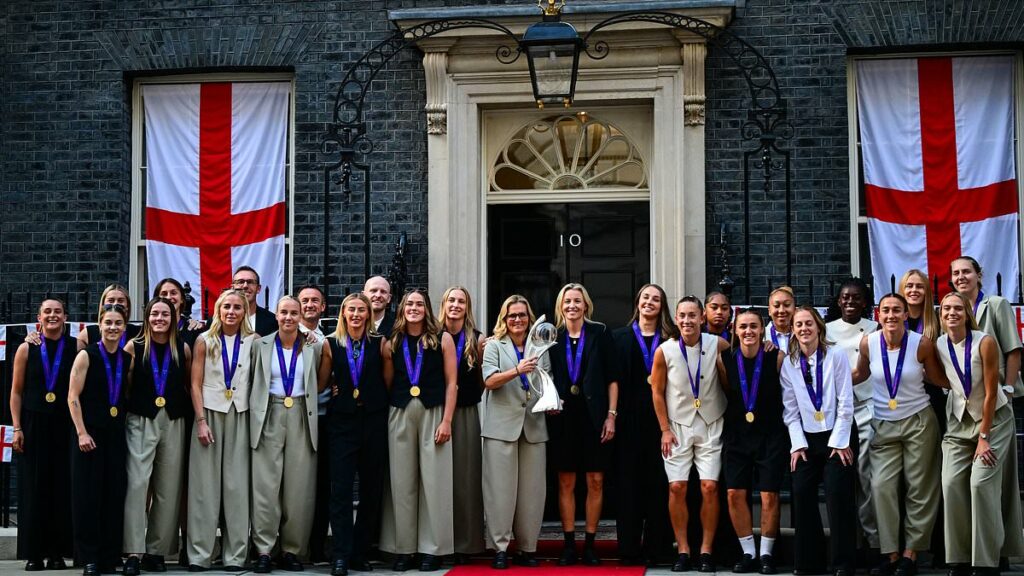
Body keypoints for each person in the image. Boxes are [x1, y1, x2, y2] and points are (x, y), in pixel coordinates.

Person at [852, 294, 948, 576]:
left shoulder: (921, 344)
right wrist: (829, 380)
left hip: (919, 421)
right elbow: (860, 373)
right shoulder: (868, 342)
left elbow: (937, 378)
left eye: (897, 310)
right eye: (886, 310)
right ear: (878, 314)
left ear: (906, 315)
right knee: (880, 487)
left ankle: (910, 554)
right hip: (883, 424)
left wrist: (968, 384)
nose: (891, 315)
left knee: (920, 488)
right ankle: (890, 553)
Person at [936, 292, 1024, 576]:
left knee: (980, 485)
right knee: (950, 485)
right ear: (941, 315)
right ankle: (959, 558)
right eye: (947, 308)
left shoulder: (984, 341)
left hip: (993, 421)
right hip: (959, 424)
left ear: (967, 313)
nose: (952, 313)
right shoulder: (939, 344)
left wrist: (983, 437)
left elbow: (989, 393)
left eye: (958, 308)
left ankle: (987, 562)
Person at [380, 289, 458, 572]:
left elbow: (452, 383)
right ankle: (405, 549)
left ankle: (432, 549)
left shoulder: (443, 339)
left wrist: (447, 420)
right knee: (402, 484)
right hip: (400, 412)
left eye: (419, 304)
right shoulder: (392, 341)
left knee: (434, 483)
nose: (414, 308)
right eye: (409, 304)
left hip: (434, 412)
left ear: (427, 309)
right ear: (402, 309)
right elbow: (389, 380)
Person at [651, 296, 730, 573]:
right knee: (677, 487)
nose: (687, 321)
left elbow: (746, 360)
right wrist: (664, 429)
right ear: (676, 317)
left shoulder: (717, 343)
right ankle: (683, 549)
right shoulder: (665, 350)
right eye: (682, 315)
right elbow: (657, 392)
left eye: (692, 315)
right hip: (677, 426)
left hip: (711, 422)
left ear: (702, 318)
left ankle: (706, 550)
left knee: (710, 487)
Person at [779, 306, 856, 576]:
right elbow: (789, 410)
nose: (804, 328)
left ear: (819, 327)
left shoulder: (836, 356)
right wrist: (798, 445)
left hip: (838, 434)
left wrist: (839, 441)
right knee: (800, 491)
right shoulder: (789, 363)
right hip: (807, 438)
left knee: (837, 494)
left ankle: (843, 563)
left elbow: (847, 402)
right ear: (793, 330)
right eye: (798, 324)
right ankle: (809, 562)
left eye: (809, 323)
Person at [547, 283, 620, 566]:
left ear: (586, 305)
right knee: (565, 481)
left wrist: (611, 415)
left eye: (577, 301)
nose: (572, 306)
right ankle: (568, 545)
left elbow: (613, 378)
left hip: (595, 417)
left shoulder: (600, 333)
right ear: (560, 306)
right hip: (563, 418)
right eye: (567, 302)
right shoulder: (552, 337)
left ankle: (590, 544)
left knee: (596, 480)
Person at [250, 296, 324, 573]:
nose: (289, 318)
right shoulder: (261, 345)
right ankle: (264, 550)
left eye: (295, 313)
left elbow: (322, 378)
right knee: (266, 487)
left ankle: (292, 550)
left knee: (298, 487)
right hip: (270, 411)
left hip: (302, 413)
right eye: (284, 312)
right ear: (277, 315)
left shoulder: (313, 347)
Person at [318, 293, 388, 576]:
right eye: (351, 310)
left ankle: (360, 552)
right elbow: (322, 381)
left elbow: (388, 380)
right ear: (343, 314)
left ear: (368, 315)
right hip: (342, 423)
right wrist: (335, 385)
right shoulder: (331, 344)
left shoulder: (380, 343)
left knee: (371, 489)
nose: (356, 314)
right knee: (342, 490)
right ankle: (341, 554)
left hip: (372, 420)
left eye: (362, 310)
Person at [122, 298, 193, 575]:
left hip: (173, 420)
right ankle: (133, 550)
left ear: (174, 317)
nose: (160, 318)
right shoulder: (134, 347)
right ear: (147, 317)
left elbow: (187, 384)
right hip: (141, 418)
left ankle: (157, 550)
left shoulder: (182, 349)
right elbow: (126, 385)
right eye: (154, 314)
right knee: (138, 484)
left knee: (168, 487)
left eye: (165, 314)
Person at [186, 289, 256, 571]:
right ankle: (200, 555)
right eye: (226, 306)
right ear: (217, 309)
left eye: (237, 307)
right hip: (210, 416)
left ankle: (235, 555)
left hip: (241, 415)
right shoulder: (205, 340)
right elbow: (194, 383)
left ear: (245, 311)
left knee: (237, 487)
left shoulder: (254, 341)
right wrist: (200, 420)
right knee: (204, 487)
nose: (231, 311)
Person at [480, 295, 551, 569]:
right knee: (500, 492)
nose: (518, 320)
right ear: (504, 319)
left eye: (522, 315)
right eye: (512, 316)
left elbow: (547, 381)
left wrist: (553, 401)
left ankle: (527, 547)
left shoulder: (540, 346)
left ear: (529, 317)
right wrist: (517, 370)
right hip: (501, 428)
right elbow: (489, 381)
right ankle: (499, 547)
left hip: (534, 425)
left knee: (532, 492)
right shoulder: (494, 345)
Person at [612, 284, 676, 567]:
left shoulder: (671, 339)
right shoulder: (619, 338)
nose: (650, 302)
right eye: (646, 297)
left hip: (664, 421)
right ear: (637, 302)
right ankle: (628, 549)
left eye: (656, 299)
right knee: (628, 486)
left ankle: (659, 547)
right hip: (628, 421)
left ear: (662, 306)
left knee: (660, 485)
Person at [10, 298, 75, 570]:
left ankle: (57, 553)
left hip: (64, 424)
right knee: (34, 488)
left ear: (65, 317)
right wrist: (17, 427)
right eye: (47, 311)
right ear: (39, 316)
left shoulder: (75, 347)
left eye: (57, 311)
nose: (52, 315)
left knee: (61, 489)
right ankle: (34, 553)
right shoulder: (27, 348)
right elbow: (16, 391)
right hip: (34, 424)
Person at [721, 308, 788, 574]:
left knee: (770, 495)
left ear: (763, 330)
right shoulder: (724, 359)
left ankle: (766, 555)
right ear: (735, 331)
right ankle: (748, 552)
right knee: (735, 493)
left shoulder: (777, 357)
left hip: (770, 434)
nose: (748, 331)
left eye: (753, 326)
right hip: (737, 434)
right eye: (743, 327)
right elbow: (727, 390)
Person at [68, 304, 131, 576]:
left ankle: (108, 557)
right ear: (99, 325)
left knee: (113, 495)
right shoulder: (86, 355)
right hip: (89, 434)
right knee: (88, 497)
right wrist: (81, 432)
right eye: (108, 323)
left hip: (115, 434)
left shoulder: (127, 359)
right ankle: (89, 558)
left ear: (124, 327)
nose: (113, 328)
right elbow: (72, 396)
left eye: (118, 323)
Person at [824, 278, 880, 560]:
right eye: (845, 297)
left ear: (865, 303)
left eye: (856, 298)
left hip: (867, 407)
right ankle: (849, 544)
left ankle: (872, 542)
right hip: (836, 411)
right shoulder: (826, 330)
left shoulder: (875, 330)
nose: (849, 302)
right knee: (842, 479)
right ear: (838, 300)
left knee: (866, 475)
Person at [438, 286, 487, 562]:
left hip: (466, 413)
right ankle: (440, 540)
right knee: (439, 479)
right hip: (438, 412)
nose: (456, 305)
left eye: (461, 301)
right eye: (451, 300)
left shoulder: (477, 340)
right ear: (443, 304)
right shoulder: (432, 337)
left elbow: (482, 380)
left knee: (466, 479)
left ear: (467, 307)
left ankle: (467, 544)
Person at [297, 285, 332, 564]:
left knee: (321, 485)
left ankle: (316, 545)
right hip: (293, 418)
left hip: (322, 418)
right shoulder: (286, 334)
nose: (309, 305)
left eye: (314, 301)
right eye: (304, 300)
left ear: (323, 307)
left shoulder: (328, 338)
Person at [232, 266, 277, 336]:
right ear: (232, 288)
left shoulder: (273, 321)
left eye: (250, 282)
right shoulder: (219, 320)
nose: (245, 286)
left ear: (258, 289)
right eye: (240, 282)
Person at [899, 269, 939, 341]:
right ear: (902, 290)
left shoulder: (937, 320)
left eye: (919, 286)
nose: (914, 290)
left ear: (926, 292)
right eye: (909, 286)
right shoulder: (894, 318)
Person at [765, 286, 795, 351]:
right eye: (776, 306)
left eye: (787, 305)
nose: (781, 310)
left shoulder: (801, 335)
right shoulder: (761, 337)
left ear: (794, 309)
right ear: (769, 311)